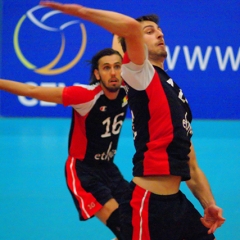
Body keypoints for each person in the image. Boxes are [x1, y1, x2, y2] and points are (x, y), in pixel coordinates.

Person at [39, 2, 226, 240]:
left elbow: (191, 165)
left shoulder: (174, 93)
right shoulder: (141, 75)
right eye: (149, 31)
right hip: (148, 204)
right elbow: (128, 28)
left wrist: (208, 203)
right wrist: (80, 11)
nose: (159, 33)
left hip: (178, 205)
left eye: (160, 31)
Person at [0, 48, 130, 240]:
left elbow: (119, 48)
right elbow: (32, 90)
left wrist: (117, 31)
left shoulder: (127, 87)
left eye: (117, 67)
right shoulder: (85, 96)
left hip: (110, 168)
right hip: (84, 172)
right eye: (106, 68)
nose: (113, 73)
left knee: (141, 220)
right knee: (124, 226)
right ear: (97, 73)